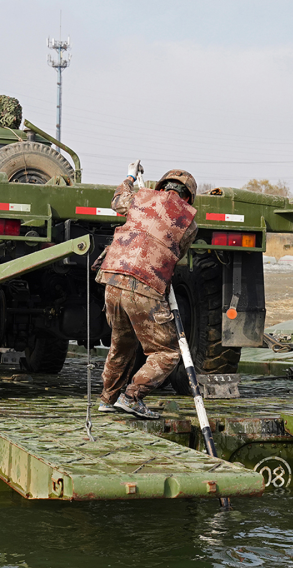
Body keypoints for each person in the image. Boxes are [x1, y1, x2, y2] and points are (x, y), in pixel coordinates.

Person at [94, 161, 198, 419]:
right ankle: (132, 397)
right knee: (166, 353)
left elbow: (117, 199)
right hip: (144, 285)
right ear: (188, 196)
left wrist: (129, 177)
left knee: (122, 345)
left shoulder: (140, 198)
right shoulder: (189, 223)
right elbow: (177, 254)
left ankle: (108, 399)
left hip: (113, 279)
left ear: (162, 186)